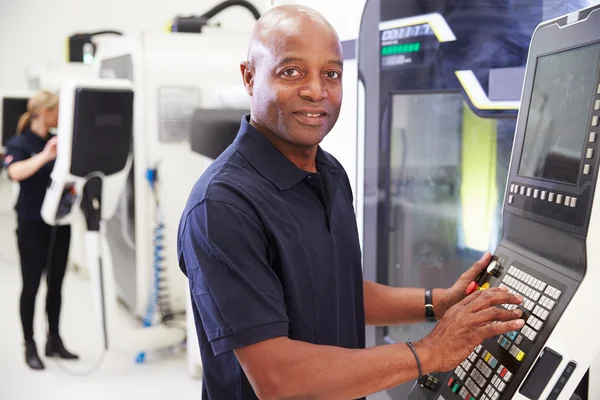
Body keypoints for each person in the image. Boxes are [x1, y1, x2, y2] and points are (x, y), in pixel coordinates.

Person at [177, 5, 525, 399]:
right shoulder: (221, 207)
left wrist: (437, 303)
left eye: (331, 74)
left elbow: (337, 290)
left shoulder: (330, 174)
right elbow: (277, 378)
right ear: (249, 77)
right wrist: (430, 351)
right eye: (291, 71)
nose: (316, 91)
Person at [3, 90, 79, 371]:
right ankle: (30, 344)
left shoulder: (61, 141)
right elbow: (14, 172)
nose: (60, 115)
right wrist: (46, 156)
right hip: (31, 224)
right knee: (31, 286)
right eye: (57, 110)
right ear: (45, 112)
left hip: (59, 223)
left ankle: (54, 339)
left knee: (56, 285)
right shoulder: (19, 143)